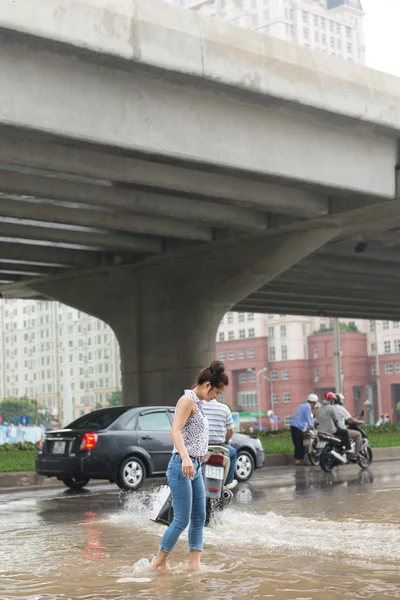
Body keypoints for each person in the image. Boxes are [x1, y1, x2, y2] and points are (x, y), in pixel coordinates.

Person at [152, 360, 229, 573]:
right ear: (207, 386)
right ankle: (158, 563)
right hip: (181, 466)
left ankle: (194, 565)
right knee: (181, 519)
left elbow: (193, 433)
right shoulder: (187, 400)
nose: (217, 396)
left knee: (199, 518)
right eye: (217, 392)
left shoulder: (200, 403)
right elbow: (175, 431)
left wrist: (198, 454)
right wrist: (186, 458)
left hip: (194, 465)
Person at [202, 396, 238, 490]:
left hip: (202, 448)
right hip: (219, 448)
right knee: (233, 452)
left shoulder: (197, 406)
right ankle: (227, 483)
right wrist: (226, 441)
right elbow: (231, 431)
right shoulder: (224, 408)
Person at [333, 393, 364, 459]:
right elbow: (351, 419)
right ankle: (356, 453)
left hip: (332, 430)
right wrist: (360, 422)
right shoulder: (340, 408)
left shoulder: (330, 408)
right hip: (341, 430)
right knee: (358, 434)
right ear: (340, 400)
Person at [290, 394, 318, 465]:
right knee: (300, 444)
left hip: (294, 426)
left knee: (298, 443)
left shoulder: (303, 405)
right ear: (314, 402)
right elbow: (308, 418)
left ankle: (298, 460)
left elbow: (308, 418)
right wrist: (312, 427)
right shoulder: (307, 407)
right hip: (298, 427)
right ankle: (298, 461)